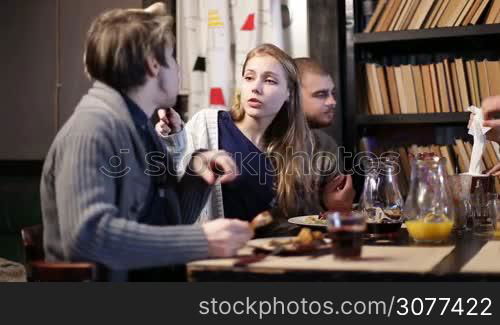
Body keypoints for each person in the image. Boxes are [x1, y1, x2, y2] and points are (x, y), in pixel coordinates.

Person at [40, 4, 253, 281]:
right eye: (172, 58)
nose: (178, 69)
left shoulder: (139, 127)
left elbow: (168, 222)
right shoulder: (92, 130)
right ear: (154, 64)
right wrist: (201, 240)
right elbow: (88, 238)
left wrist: (197, 170)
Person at [156, 44, 354, 235]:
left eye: (269, 81)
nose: (256, 88)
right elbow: (174, 188)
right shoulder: (209, 123)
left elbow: (298, 222)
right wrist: (174, 139)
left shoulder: (298, 145)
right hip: (220, 258)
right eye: (249, 77)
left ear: (289, 93)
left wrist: (336, 207)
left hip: (272, 257)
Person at [294, 57, 354, 210]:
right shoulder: (261, 144)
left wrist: (338, 207)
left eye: (332, 93)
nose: (332, 101)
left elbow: (336, 211)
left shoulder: (327, 145)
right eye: (321, 94)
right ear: (292, 97)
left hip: (320, 234)